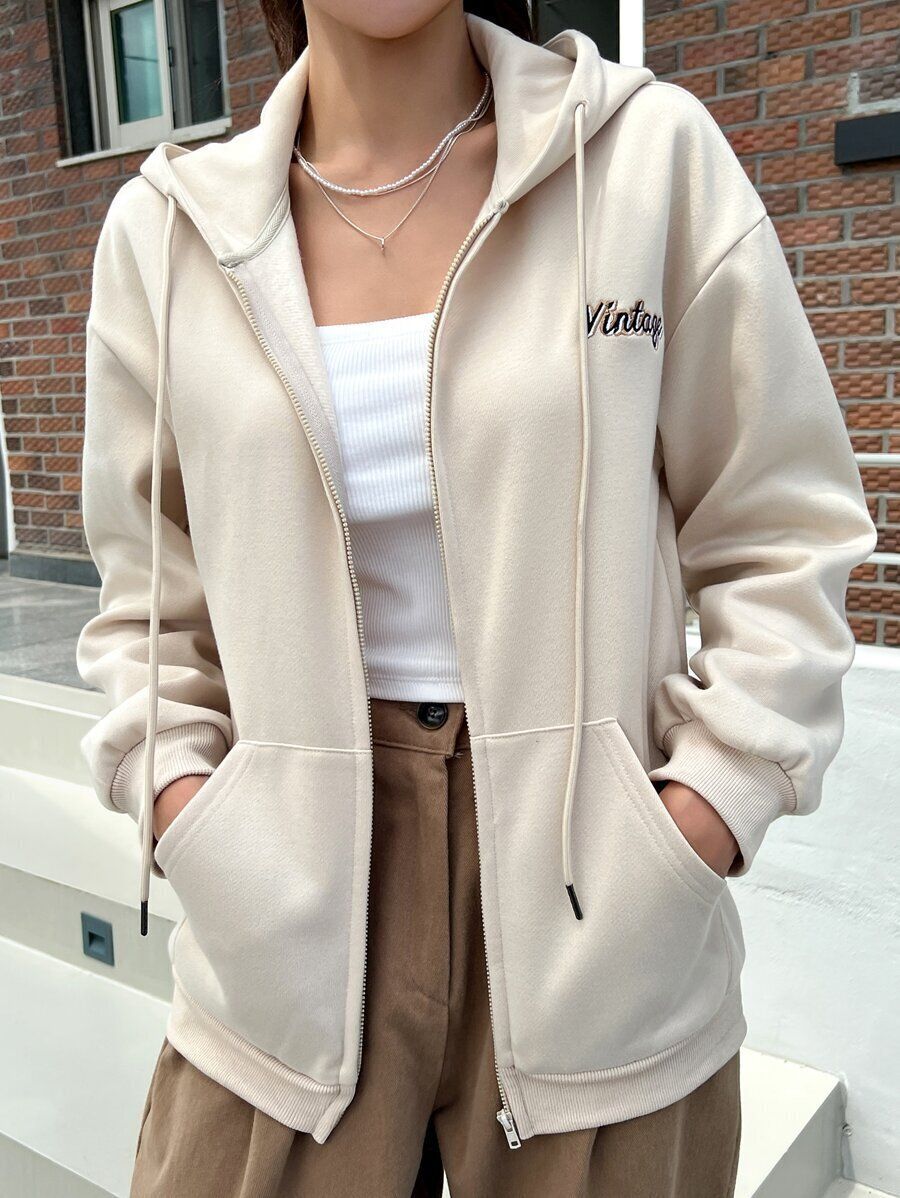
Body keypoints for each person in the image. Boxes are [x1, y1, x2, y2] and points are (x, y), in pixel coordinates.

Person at [75, 2, 878, 1195]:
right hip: (284, 911)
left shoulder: (646, 161)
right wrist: (188, 805)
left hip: (595, 907)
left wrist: (700, 810)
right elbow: (148, 603)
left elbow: (782, 528)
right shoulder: (167, 234)